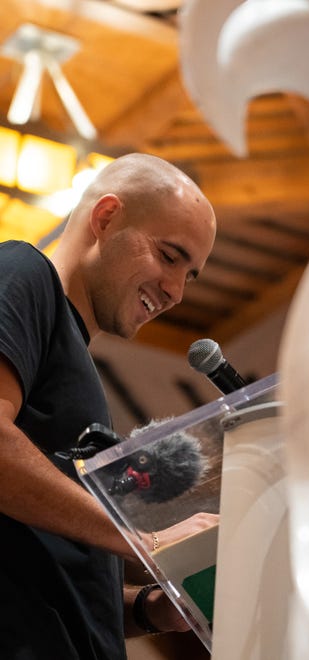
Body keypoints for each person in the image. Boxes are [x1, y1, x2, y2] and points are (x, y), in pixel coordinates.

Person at [0, 153, 218, 659]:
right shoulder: (22, 272)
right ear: (106, 217)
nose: (176, 291)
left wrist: (149, 609)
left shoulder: (73, 365)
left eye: (191, 275)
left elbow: (53, 577)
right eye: (169, 256)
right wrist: (149, 538)